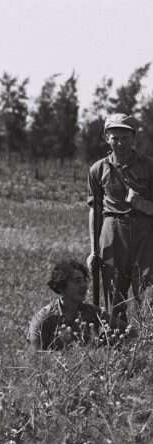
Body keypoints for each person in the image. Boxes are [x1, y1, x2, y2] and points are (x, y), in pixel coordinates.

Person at [87, 113, 153, 322]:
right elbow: (95, 210)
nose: (120, 143)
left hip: (145, 233)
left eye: (125, 137)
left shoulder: (149, 166)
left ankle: (148, 341)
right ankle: (116, 341)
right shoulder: (98, 169)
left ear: (134, 138)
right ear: (107, 137)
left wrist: (141, 203)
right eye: (115, 137)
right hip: (112, 231)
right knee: (113, 292)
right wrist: (93, 250)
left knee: (148, 290)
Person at [27, 259, 130, 350]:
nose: (84, 286)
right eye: (77, 281)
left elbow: (130, 331)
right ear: (62, 286)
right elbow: (35, 356)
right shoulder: (44, 318)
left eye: (84, 281)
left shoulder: (93, 312)